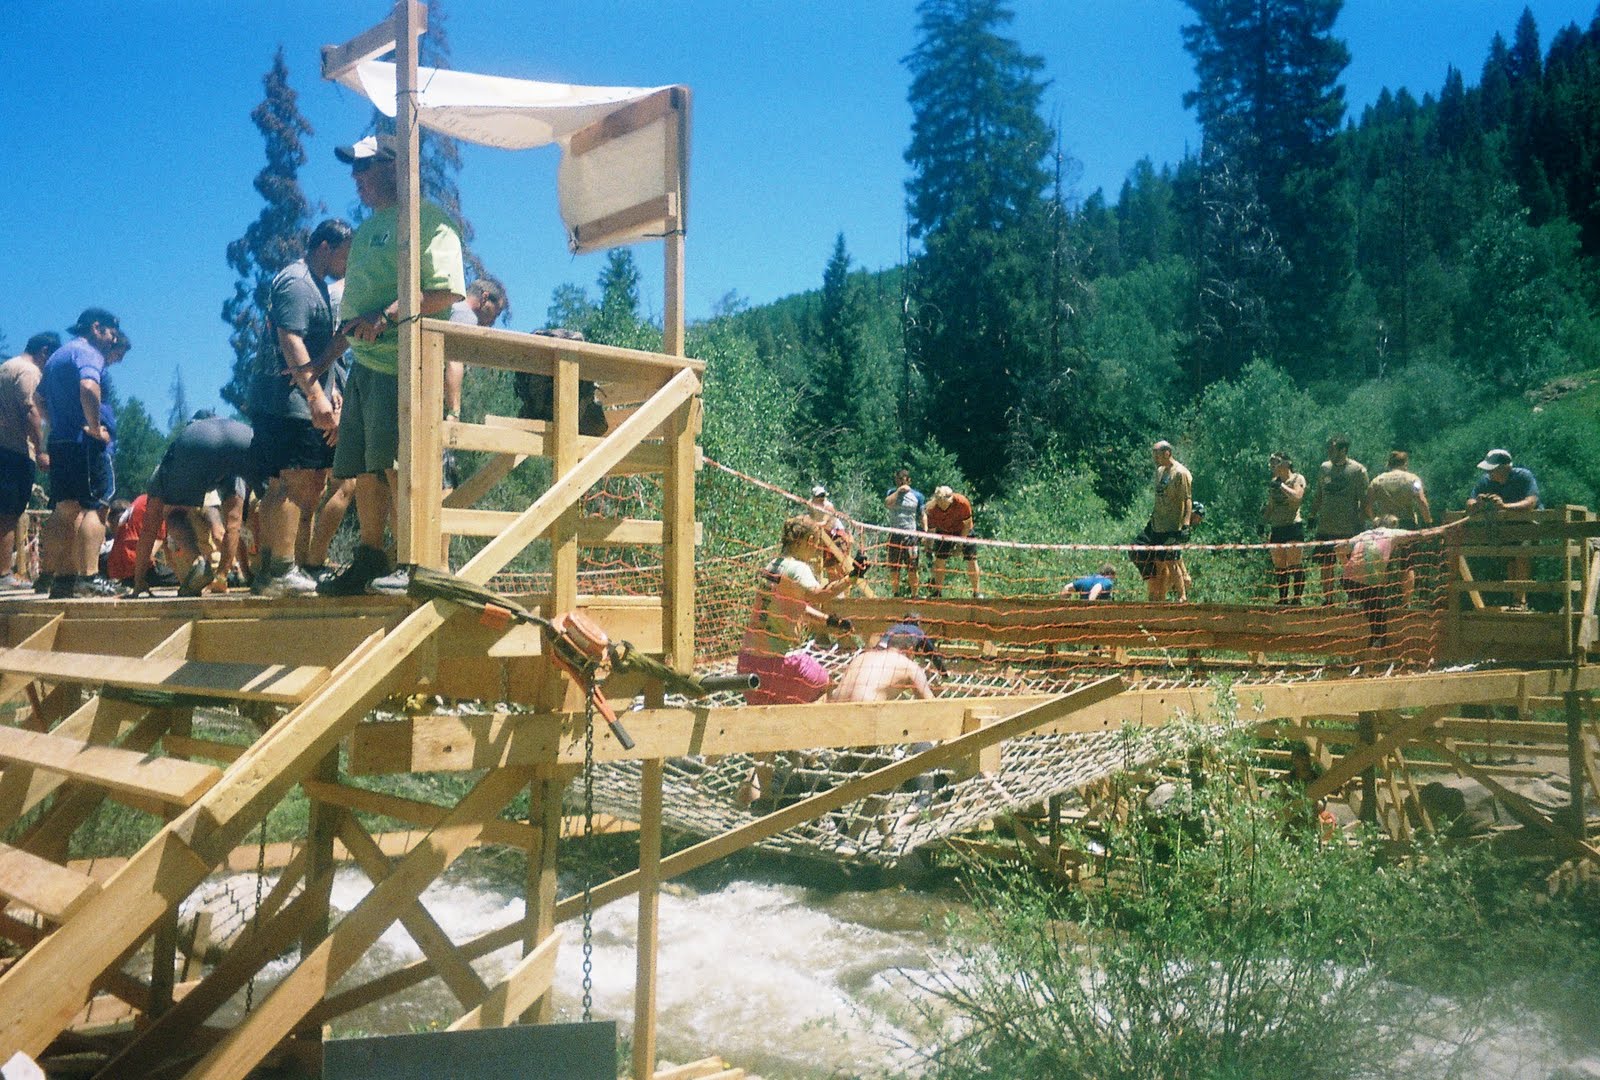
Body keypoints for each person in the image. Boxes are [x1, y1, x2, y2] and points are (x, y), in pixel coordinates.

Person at [318, 134, 465, 597]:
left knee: (400, 466)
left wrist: (384, 316)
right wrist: (321, 364)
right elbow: (354, 313)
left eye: (363, 166)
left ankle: (413, 560)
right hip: (365, 367)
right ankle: (371, 556)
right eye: (354, 167)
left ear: (395, 165)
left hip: (405, 364)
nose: (355, 176)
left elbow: (446, 291)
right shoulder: (367, 230)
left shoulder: (428, 220)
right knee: (367, 468)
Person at [250, 218, 353, 598]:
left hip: (293, 399)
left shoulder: (316, 285)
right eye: (345, 254)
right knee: (293, 483)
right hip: (286, 402)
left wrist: (332, 384)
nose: (348, 262)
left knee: (299, 484)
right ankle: (280, 570)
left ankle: (272, 570)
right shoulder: (297, 281)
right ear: (325, 246)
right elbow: (290, 339)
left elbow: (317, 347)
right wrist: (314, 396)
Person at [39, 308, 124, 599]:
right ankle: (89, 578)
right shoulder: (89, 353)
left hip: (60, 442)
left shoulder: (57, 356)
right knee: (95, 507)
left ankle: (62, 580)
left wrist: (58, 423)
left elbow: (39, 399)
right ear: (96, 328)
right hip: (85, 445)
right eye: (112, 333)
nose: (114, 340)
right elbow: (88, 386)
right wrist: (94, 427)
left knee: (66, 510)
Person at [131, 416, 259, 597]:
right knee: (269, 499)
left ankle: (198, 562)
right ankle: (271, 570)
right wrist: (233, 574)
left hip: (194, 446)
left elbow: (149, 530)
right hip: (243, 437)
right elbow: (232, 525)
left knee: (175, 516)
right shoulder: (226, 440)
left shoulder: (165, 469)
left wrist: (139, 581)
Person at [736, 515, 853, 704]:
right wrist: (852, 577)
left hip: (747, 664)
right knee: (828, 688)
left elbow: (792, 606)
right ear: (810, 540)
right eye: (816, 544)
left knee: (767, 712)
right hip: (781, 664)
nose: (816, 551)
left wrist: (828, 620)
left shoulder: (772, 565)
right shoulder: (798, 568)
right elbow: (821, 594)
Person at [0, 332, 58, 587]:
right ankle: (3, 573)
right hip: (15, 451)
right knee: (9, 512)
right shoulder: (29, 371)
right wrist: (41, 449)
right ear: (44, 351)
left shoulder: (5, 368)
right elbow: (30, 410)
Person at [1466, 448, 1542, 609]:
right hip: (1506, 527)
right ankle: (1515, 600)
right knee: (1510, 560)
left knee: (1521, 554)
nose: (1489, 473)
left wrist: (1504, 506)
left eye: (1492, 469)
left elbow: (1531, 502)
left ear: (1505, 467)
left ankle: (1520, 600)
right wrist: (1478, 503)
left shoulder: (1523, 476)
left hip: (1529, 524)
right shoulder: (1486, 481)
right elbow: (1469, 503)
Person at [1308, 436, 1369, 605]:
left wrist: (1362, 523)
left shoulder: (1357, 470)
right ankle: (1328, 599)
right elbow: (1319, 494)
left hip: (1348, 527)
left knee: (1351, 564)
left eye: (1332, 449)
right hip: (1326, 526)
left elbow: (1364, 500)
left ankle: (1352, 598)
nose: (1329, 452)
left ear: (1343, 450)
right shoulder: (1324, 468)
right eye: (1328, 449)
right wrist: (1312, 515)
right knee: (1326, 564)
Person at [1341, 515, 1415, 652]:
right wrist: (1440, 530)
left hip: (1347, 581)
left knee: (1372, 608)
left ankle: (1354, 602)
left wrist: (1347, 566)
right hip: (1366, 585)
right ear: (1393, 525)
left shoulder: (1365, 534)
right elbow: (1419, 534)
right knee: (1379, 626)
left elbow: (1338, 548)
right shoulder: (1392, 533)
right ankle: (1372, 654)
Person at [828, 619, 938, 703]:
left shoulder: (862, 657)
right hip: (866, 712)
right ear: (910, 650)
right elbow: (930, 704)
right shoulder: (910, 666)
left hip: (836, 709)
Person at [1145, 440, 1192, 602]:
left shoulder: (1180, 473)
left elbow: (1187, 499)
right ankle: (1160, 596)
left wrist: (1186, 524)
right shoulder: (1159, 471)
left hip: (1173, 525)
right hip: (1158, 524)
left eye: (1157, 455)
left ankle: (1182, 596)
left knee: (1172, 561)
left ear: (1167, 453)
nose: (1155, 458)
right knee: (1159, 562)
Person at [1262, 452, 1308, 605]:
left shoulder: (1297, 478)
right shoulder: (1273, 483)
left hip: (1293, 526)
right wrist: (1262, 522)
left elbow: (1297, 497)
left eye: (1276, 461)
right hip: (1277, 527)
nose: (1273, 465)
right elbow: (1271, 505)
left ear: (1287, 463)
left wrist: (1281, 486)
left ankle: (1297, 599)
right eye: (1271, 462)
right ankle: (1283, 599)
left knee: (1295, 563)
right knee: (1280, 565)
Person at [927, 484, 981, 599]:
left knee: (972, 559)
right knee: (939, 559)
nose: (942, 505)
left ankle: (977, 592)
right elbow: (931, 530)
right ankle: (938, 591)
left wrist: (959, 544)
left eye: (945, 502)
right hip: (944, 531)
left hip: (964, 529)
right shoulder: (931, 509)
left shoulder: (962, 502)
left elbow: (967, 525)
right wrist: (929, 546)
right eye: (939, 502)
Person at [883, 468, 926, 598]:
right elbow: (887, 504)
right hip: (894, 535)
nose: (901, 482)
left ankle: (915, 594)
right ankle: (896, 593)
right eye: (898, 480)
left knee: (912, 566)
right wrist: (898, 492)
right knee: (894, 566)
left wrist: (925, 531)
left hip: (911, 536)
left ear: (909, 480)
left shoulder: (918, 496)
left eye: (903, 480)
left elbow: (922, 515)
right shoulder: (891, 493)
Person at [1365, 450, 1432, 530]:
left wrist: (1374, 520)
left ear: (1389, 465)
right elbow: (1421, 501)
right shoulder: (1413, 479)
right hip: (1407, 524)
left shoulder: (1376, 481)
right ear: (1405, 464)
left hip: (1385, 526)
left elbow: (1367, 505)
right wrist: (1428, 523)